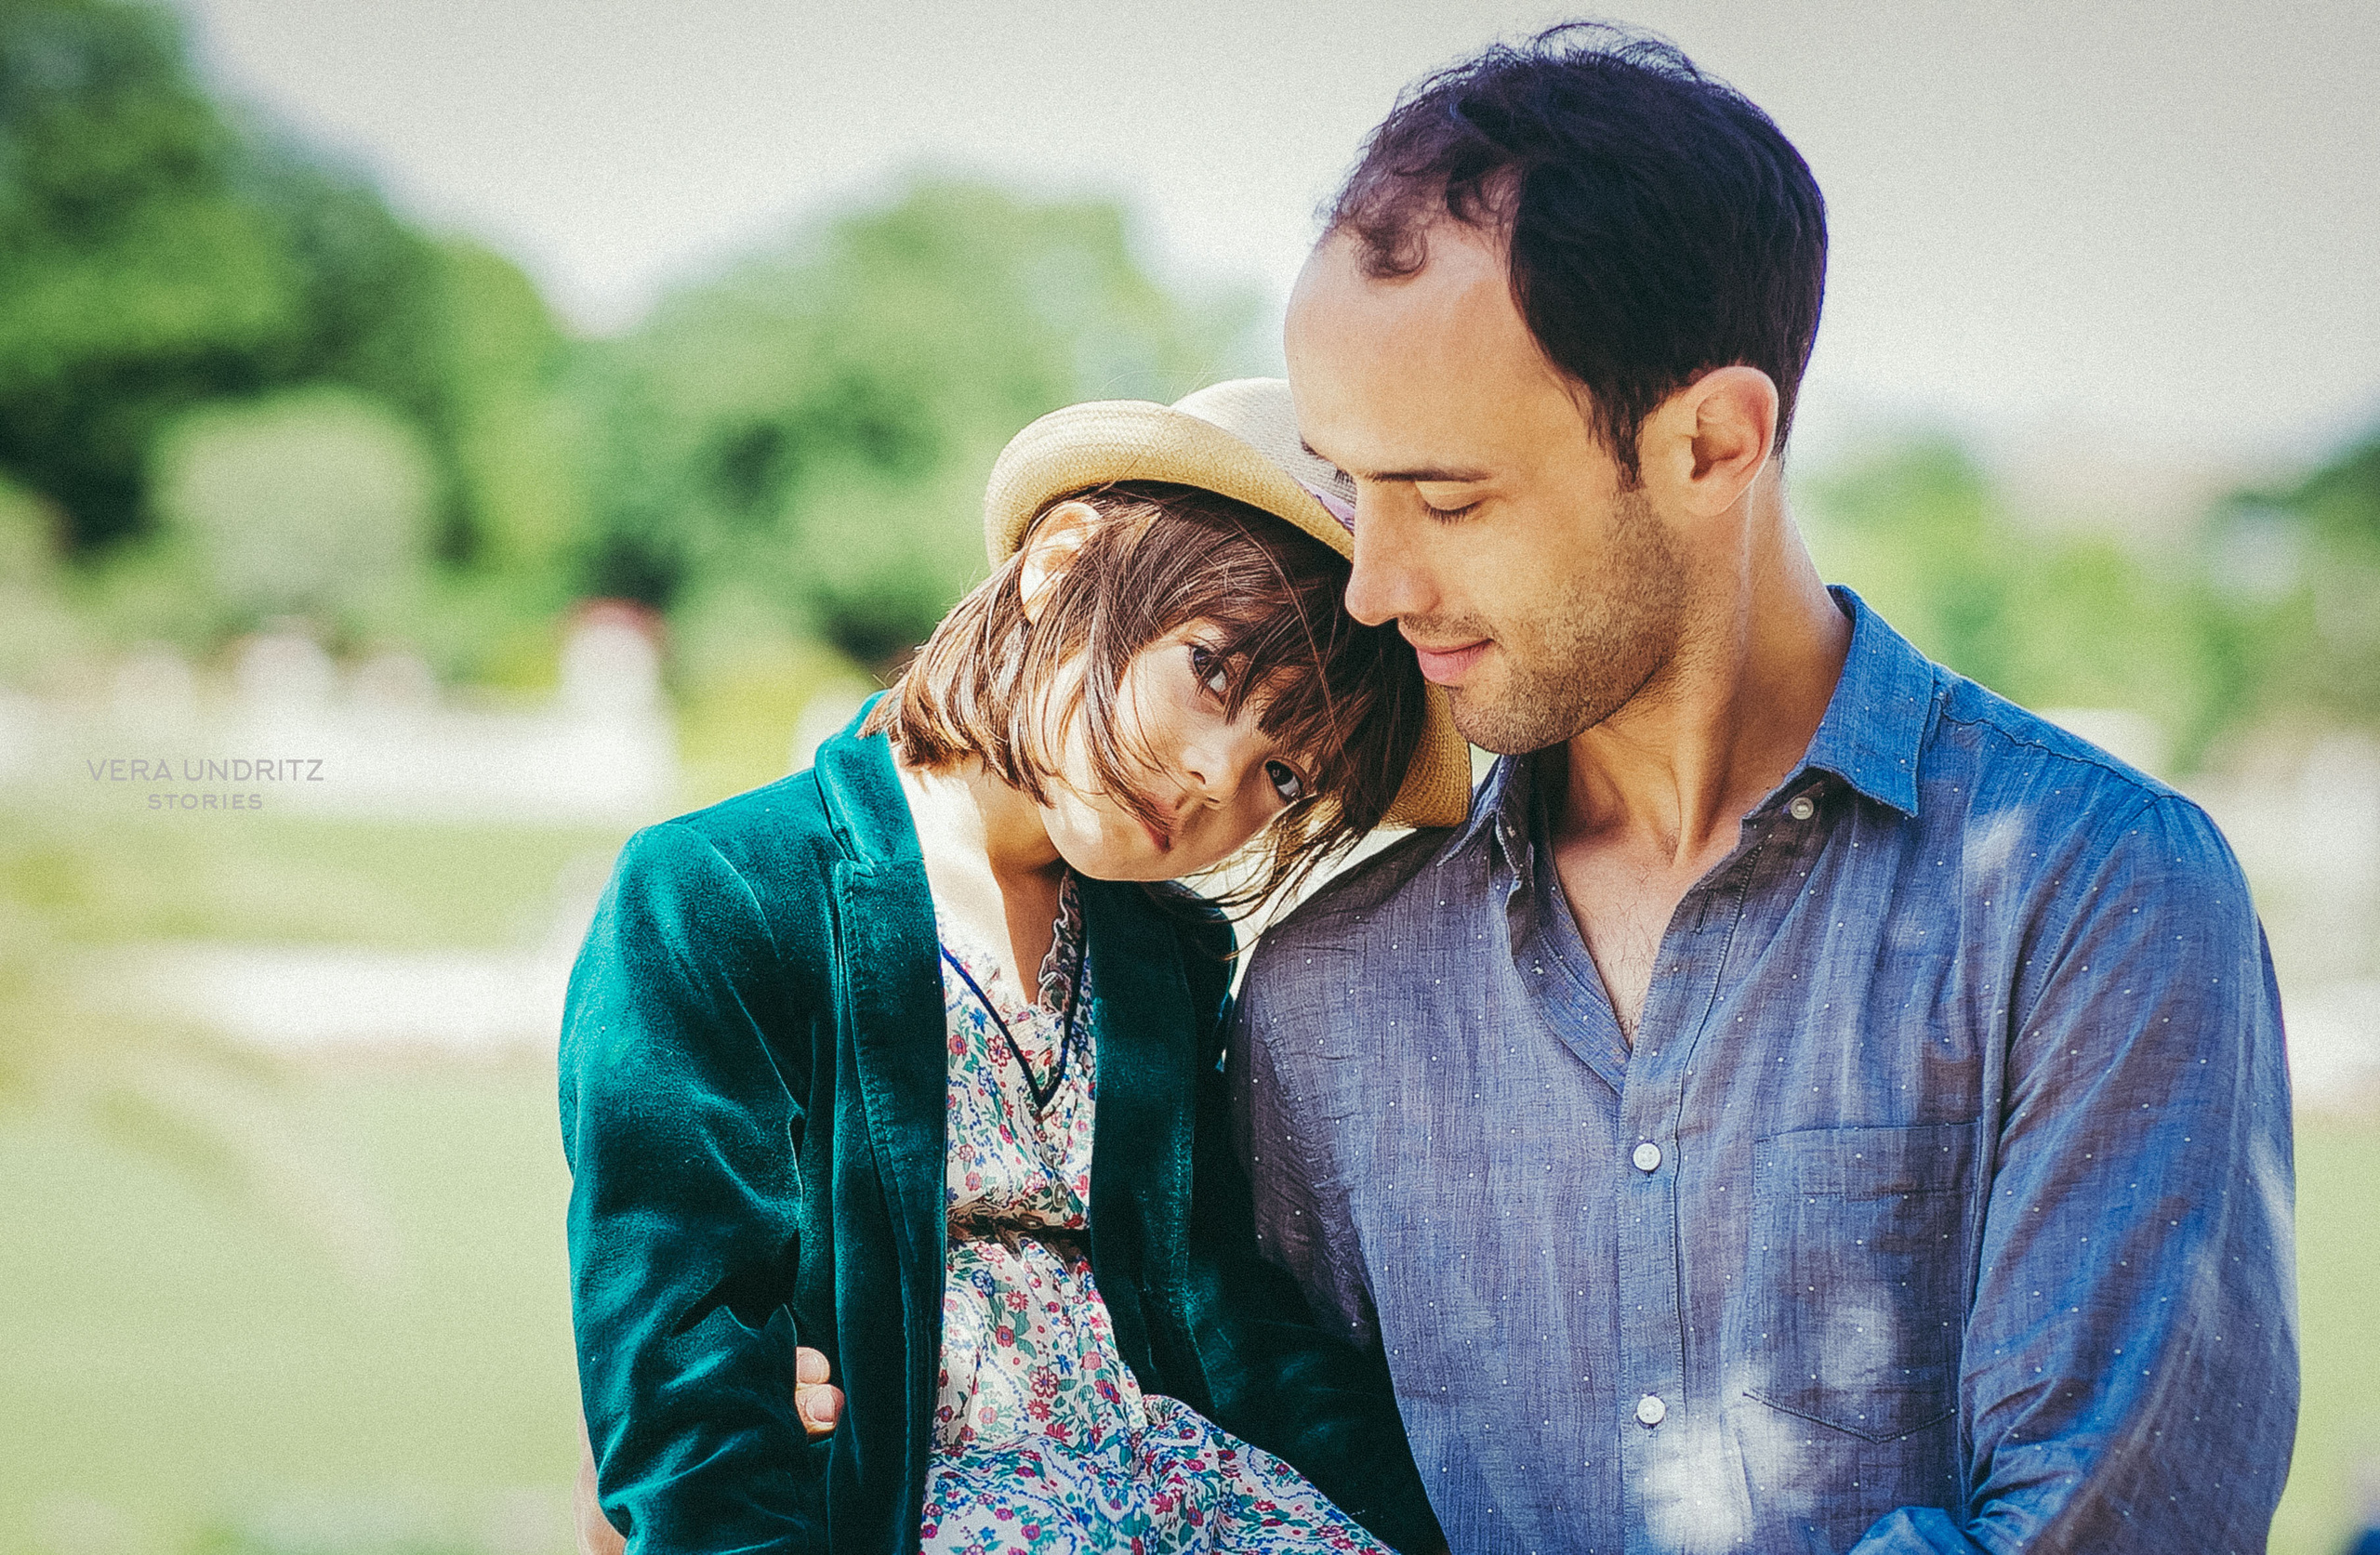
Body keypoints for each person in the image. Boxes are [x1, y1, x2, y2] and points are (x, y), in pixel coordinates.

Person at [1223, 22, 2297, 1555]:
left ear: (1714, 441)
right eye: (1348, 481)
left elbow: (2112, 1526)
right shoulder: (1325, 992)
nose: (1377, 582)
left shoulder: (2099, 898)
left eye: (1447, 496)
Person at [561, 378, 1471, 1555]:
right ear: (1059, 565)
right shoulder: (726, 893)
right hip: (912, 1503)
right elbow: (680, 1341)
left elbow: (1223, 1310)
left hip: (1192, 1489)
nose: (1215, 777)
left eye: (1286, 777)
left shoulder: (1173, 953)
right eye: (1211, 671)